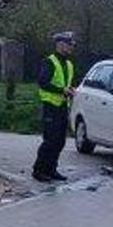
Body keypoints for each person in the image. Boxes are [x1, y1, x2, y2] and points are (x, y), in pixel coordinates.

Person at [32, 31, 78, 182]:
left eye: (72, 45)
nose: (71, 47)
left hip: (63, 106)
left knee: (60, 140)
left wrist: (70, 90)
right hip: (51, 106)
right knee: (50, 140)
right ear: (60, 44)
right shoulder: (49, 61)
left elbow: (65, 83)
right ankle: (39, 170)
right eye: (69, 44)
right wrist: (61, 90)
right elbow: (43, 82)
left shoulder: (69, 64)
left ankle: (51, 169)